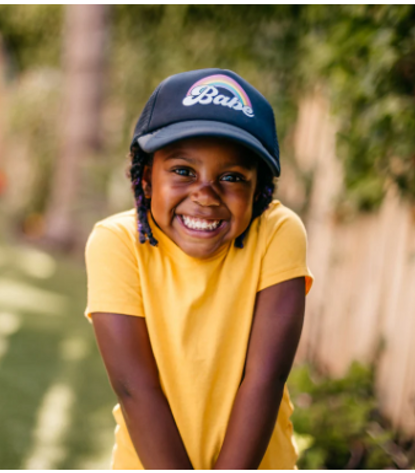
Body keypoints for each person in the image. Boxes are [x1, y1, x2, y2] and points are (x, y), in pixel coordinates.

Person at [84, 68, 314, 470]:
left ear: (259, 191)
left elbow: (264, 379)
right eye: (183, 171)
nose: (205, 194)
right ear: (146, 176)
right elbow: (136, 389)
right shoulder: (117, 243)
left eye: (232, 177)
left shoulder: (278, 232)